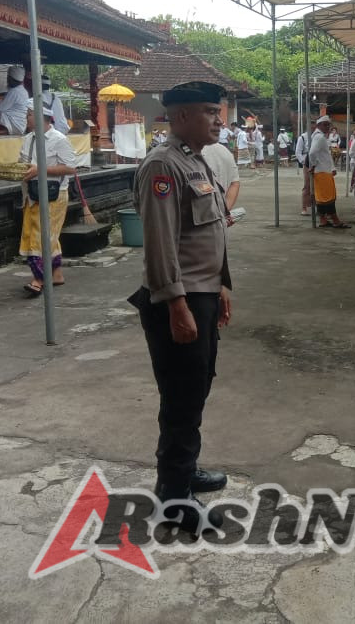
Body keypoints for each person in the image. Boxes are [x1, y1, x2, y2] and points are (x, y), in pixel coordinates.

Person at [129, 80, 233, 535]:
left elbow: (210, 234)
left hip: (203, 294)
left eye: (218, 111)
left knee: (197, 386)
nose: (219, 119)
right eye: (210, 111)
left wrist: (222, 287)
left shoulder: (197, 160)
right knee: (181, 395)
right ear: (182, 116)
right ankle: (173, 494)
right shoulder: (162, 167)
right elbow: (160, 245)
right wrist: (176, 304)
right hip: (179, 299)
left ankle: (184, 470)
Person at [18, 103, 78, 296]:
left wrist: (40, 170)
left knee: (40, 236)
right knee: (44, 234)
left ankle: (39, 278)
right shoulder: (28, 139)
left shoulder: (58, 139)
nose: (26, 118)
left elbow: (70, 167)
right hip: (32, 193)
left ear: (40, 117)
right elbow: (23, 164)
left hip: (54, 194)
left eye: (29, 114)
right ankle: (56, 274)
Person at [309, 114, 350, 229]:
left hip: (322, 170)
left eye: (328, 125)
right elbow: (312, 153)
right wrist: (312, 165)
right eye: (325, 125)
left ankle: (323, 220)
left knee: (322, 198)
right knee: (329, 198)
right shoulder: (319, 137)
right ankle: (335, 220)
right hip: (322, 171)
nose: (327, 127)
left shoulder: (319, 136)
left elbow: (322, 155)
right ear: (319, 125)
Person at [201, 140, 241, 219]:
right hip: (219, 221)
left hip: (195, 224)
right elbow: (234, 184)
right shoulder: (224, 151)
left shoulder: (182, 153)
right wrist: (223, 212)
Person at [0, 66, 29, 135]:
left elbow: (1, 108)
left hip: (14, 124)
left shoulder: (14, 91)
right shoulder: (24, 91)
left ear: (11, 79)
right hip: (21, 125)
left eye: (8, 78)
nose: (7, 80)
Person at [294, 122, 314, 215]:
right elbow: (298, 152)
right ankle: (304, 207)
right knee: (307, 185)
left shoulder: (318, 136)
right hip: (307, 162)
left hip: (317, 162)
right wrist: (305, 162)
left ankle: (316, 206)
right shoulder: (302, 137)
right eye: (312, 126)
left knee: (317, 185)